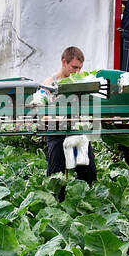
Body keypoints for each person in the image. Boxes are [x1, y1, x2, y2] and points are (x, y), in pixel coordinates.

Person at [40, 46, 97, 185]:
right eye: (74, 67)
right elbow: (41, 116)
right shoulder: (48, 85)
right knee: (55, 177)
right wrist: (58, 118)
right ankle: (57, 203)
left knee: (89, 174)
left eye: (80, 68)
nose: (77, 71)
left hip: (77, 133)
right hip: (57, 133)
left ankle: (83, 200)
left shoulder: (81, 82)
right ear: (64, 62)